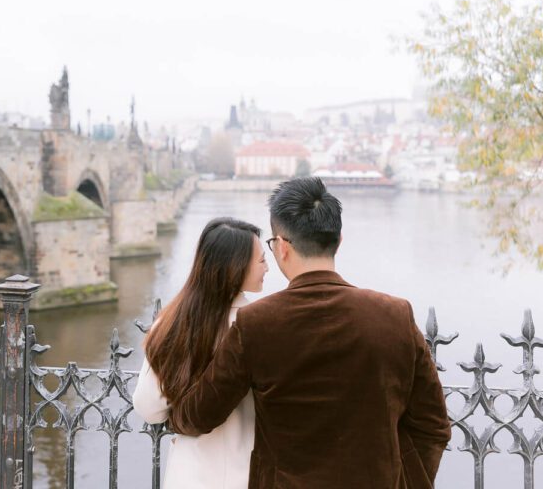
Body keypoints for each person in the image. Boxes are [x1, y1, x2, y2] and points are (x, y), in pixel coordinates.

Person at [171, 177, 451, 489]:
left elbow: (201, 414)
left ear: (282, 247)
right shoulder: (394, 315)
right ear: (339, 240)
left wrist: (171, 406)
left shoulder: (256, 323)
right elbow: (433, 425)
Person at [133, 217, 268, 489]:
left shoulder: (172, 324)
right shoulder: (261, 325)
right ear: (237, 267)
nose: (268, 266)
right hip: (249, 474)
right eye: (262, 260)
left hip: (191, 473)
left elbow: (149, 408)